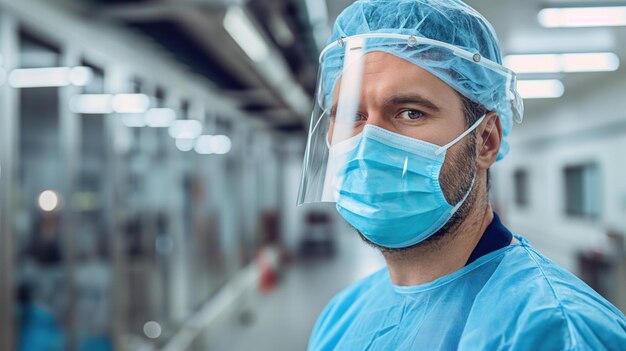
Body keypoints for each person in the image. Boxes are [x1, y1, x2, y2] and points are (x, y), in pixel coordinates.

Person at [296, 0, 626, 349]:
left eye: (410, 113)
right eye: (351, 117)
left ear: (486, 141)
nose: (368, 144)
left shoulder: (557, 333)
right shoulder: (341, 317)